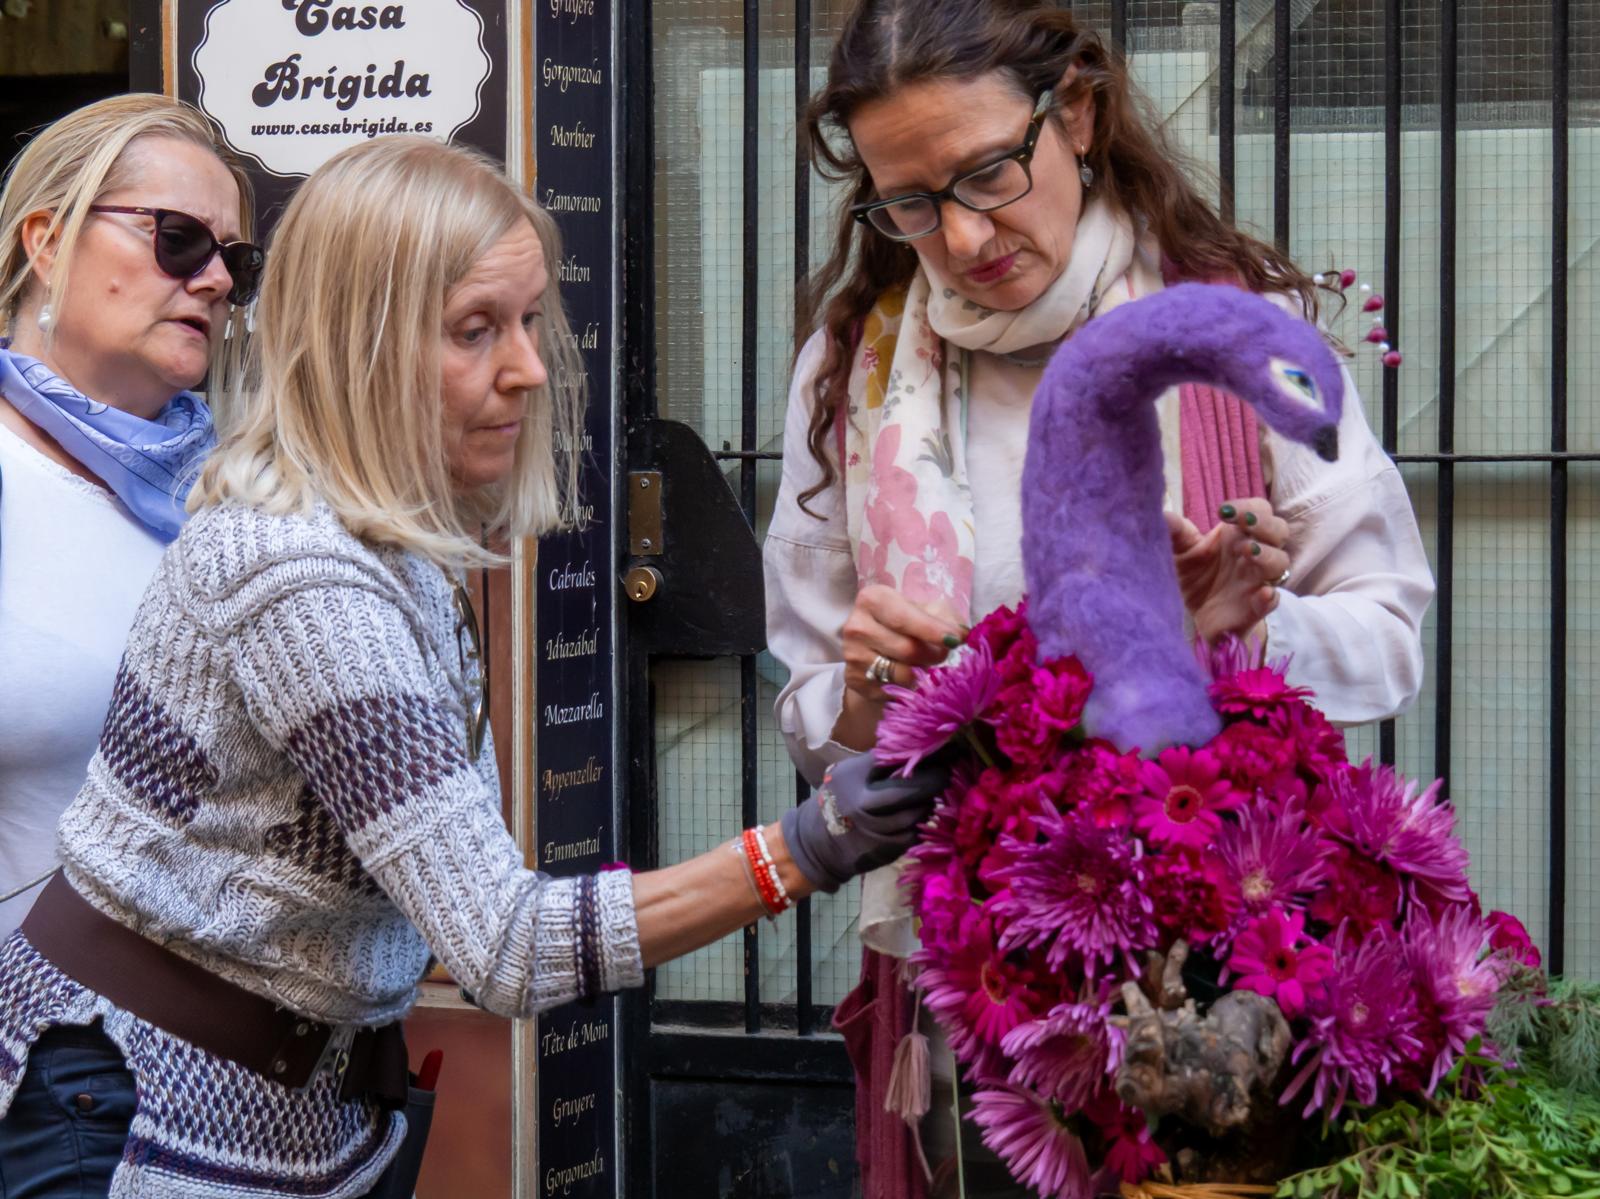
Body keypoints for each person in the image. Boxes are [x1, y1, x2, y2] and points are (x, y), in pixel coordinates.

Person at [0, 136, 942, 1199]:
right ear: (363, 346)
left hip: (290, 1117)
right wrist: (803, 847)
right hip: (129, 1116)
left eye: (531, 320)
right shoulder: (301, 577)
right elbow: (503, 945)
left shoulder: (380, 544)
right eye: (474, 330)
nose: (528, 369)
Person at [763, 0, 1435, 1192]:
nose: (963, 237)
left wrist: (1235, 625)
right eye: (909, 202)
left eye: (987, 172)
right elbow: (815, 702)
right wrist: (875, 694)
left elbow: (1387, 637)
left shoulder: (1239, 325)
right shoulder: (851, 370)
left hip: (1229, 984)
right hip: (971, 976)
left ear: (1074, 111)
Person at [0, 95, 260, 941]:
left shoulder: (241, 502)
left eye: (234, 261)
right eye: (177, 238)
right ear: (47, 242)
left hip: (198, 1057)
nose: (215, 280)